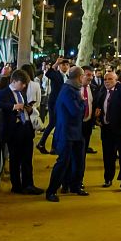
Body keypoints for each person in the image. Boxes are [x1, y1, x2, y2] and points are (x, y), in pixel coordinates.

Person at [0, 70, 43, 195]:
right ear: (13, 81)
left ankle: (28, 184)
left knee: (27, 159)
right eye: (22, 83)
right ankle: (17, 186)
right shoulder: (4, 93)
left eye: (25, 84)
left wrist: (28, 109)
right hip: (14, 131)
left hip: (26, 128)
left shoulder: (21, 93)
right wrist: (13, 107)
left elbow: (22, 106)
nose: (24, 86)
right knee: (15, 159)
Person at [45, 67, 88, 201]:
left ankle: (74, 185)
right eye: (83, 76)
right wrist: (83, 102)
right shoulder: (68, 91)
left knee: (78, 161)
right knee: (63, 162)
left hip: (75, 132)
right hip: (67, 132)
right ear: (79, 77)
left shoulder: (71, 89)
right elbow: (75, 111)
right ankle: (51, 191)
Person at [96, 71, 121, 190]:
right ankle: (108, 178)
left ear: (116, 80)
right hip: (107, 129)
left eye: (110, 79)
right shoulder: (102, 90)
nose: (107, 81)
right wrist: (97, 115)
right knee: (108, 155)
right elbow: (98, 104)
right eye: (105, 79)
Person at [37, 58, 70, 153]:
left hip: (63, 103)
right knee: (53, 123)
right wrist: (56, 63)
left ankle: (51, 146)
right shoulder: (56, 75)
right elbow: (48, 73)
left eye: (67, 65)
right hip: (54, 102)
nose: (65, 66)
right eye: (63, 65)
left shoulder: (67, 76)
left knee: (57, 124)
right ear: (59, 66)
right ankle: (44, 144)